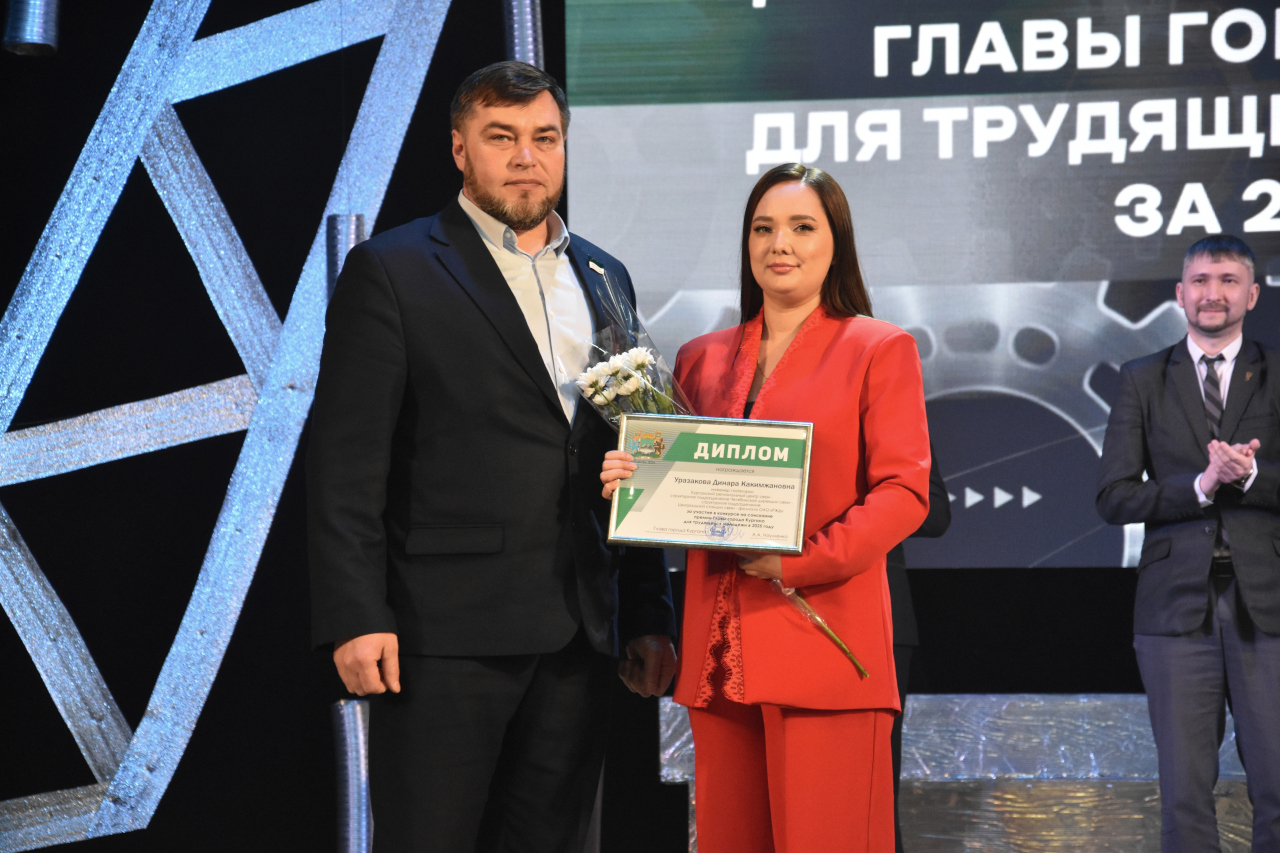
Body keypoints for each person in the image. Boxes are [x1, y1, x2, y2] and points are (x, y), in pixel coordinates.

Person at [307, 61, 677, 853]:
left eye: (545, 138)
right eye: (501, 137)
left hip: (581, 633)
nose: (526, 157)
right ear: (459, 149)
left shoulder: (605, 275)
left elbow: (637, 449)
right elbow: (345, 464)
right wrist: (355, 615)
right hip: (442, 637)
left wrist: (648, 613)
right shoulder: (394, 268)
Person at [602, 163, 931, 853]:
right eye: (763, 228)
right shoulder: (699, 358)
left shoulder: (879, 347)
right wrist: (634, 479)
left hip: (825, 646)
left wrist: (801, 561)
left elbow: (904, 492)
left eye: (802, 227)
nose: (779, 243)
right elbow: (679, 488)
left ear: (836, 242)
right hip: (719, 661)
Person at [1097, 234, 1280, 853]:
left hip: (1269, 607)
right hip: (1175, 609)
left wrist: (1249, 476)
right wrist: (1200, 485)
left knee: (1277, 785)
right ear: (1180, 294)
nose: (1212, 293)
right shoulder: (1142, 378)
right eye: (1200, 281)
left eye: (1228, 280)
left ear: (1252, 295)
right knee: (1183, 792)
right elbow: (1114, 496)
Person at [886, 445, 950, 853]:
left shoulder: (889, 406)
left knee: (871, 787)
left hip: (873, 616)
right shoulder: (734, 402)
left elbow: (935, 511)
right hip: (757, 603)